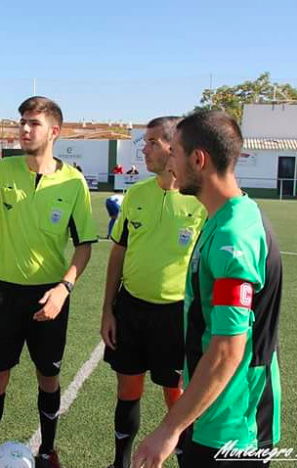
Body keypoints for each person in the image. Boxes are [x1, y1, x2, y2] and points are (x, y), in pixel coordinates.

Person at [0, 96, 97, 468]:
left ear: (54, 132)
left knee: (48, 376)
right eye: (21, 123)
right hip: (3, 296)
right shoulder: (6, 170)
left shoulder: (74, 182)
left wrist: (64, 289)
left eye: (33, 123)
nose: (24, 130)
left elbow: (84, 247)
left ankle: (48, 450)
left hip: (50, 296)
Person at [133, 111, 283, 468]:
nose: (169, 161)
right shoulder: (226, 217)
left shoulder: (234, 237)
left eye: (175, 153)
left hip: (233, 428)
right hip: (213, 410)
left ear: (198, 159)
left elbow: (228, 349)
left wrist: (169, 429)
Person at [101, 116, 207, 468]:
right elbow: (118, 251)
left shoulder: (199, 202)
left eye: (151, 143)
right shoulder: (136, 194)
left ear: (171, 146)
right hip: (130, 310)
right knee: (127, 392)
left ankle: (184, 461)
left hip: (176, 315)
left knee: (176, 397)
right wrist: (107, 310)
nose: (143, 149)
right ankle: (122, 463)